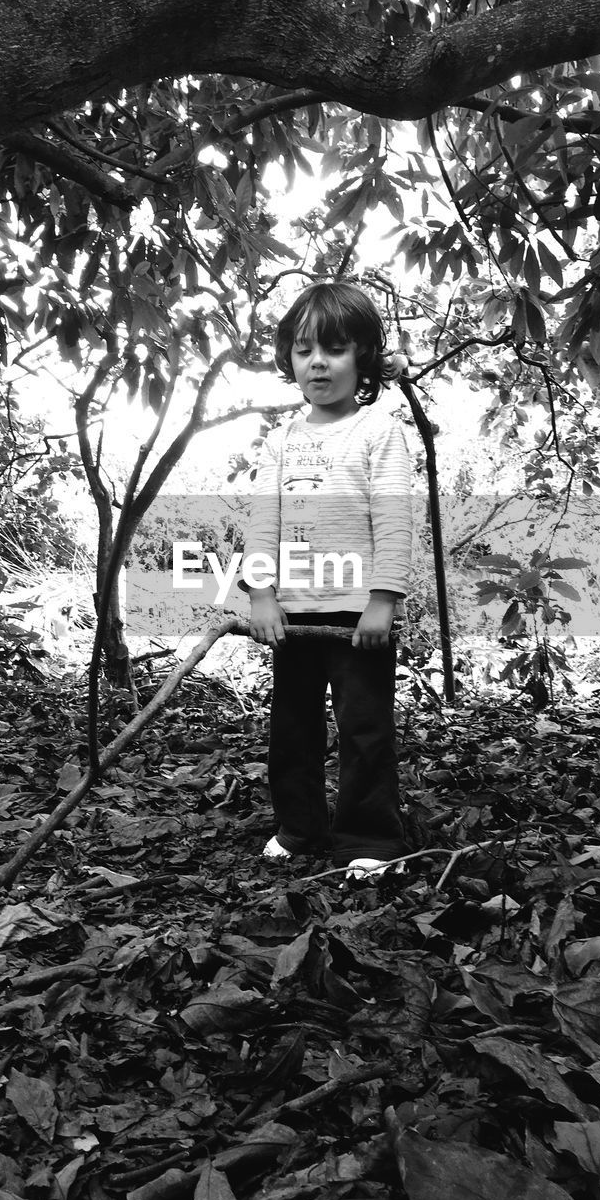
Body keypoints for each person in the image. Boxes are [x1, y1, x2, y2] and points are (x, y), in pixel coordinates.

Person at [243, 281, 414, 879]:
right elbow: (263, 521)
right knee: (292, 729)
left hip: (357, 614)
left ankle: (368, 836)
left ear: (362, 358)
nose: (318, 362)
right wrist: (262, 594)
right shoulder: (281, 440)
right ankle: (300, 826)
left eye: (336, 349)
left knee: (364, 729)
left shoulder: (378, 431)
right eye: (304, 349)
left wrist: (383, 601)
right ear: (289, 357)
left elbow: (394, 522)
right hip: (293, 614)